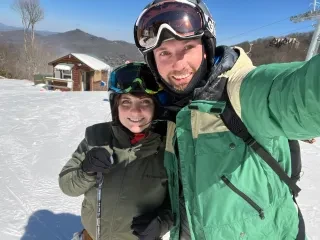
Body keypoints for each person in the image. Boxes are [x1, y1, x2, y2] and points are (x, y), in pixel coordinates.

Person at [133, 0, 320, 239]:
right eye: (164, 53)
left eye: (187, 47)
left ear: (206, 47)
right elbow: (188, 189)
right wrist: (166, 218)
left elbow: (301, 93)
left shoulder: (241, 93)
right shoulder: (172, 115)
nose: (177, 64)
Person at [59, 62, 173, 240]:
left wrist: (162, 222)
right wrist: (86, 170)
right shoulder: (97, 137)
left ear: (156, 108)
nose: (135, 112)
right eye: (126, 101)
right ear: (115, 106)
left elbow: (182, 200)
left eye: (145, 102)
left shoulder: (169, 148)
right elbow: (67, 186)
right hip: (92, 235)